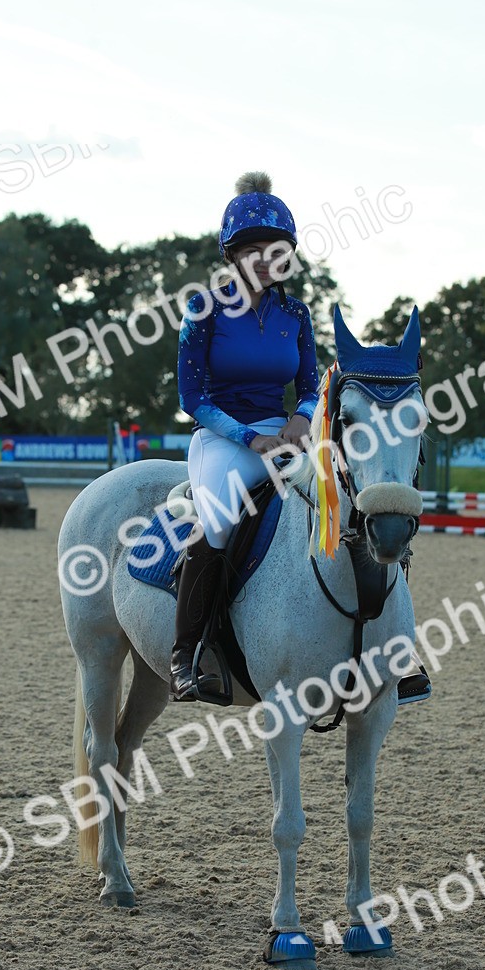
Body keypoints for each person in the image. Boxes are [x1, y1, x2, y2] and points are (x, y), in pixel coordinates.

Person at [170, 171, 318, 700]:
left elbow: (310, 385)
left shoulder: (297, 314)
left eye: (274, 249)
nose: (264, 258)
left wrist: (301, 420)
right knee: (217, 520)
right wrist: (250, 439)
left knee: (350, 493)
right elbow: (193, 399)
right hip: (222, 438)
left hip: (285, 436)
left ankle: (388, 644)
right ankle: (185, 656)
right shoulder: (203, 309)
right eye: (251, 249)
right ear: (232, 255)